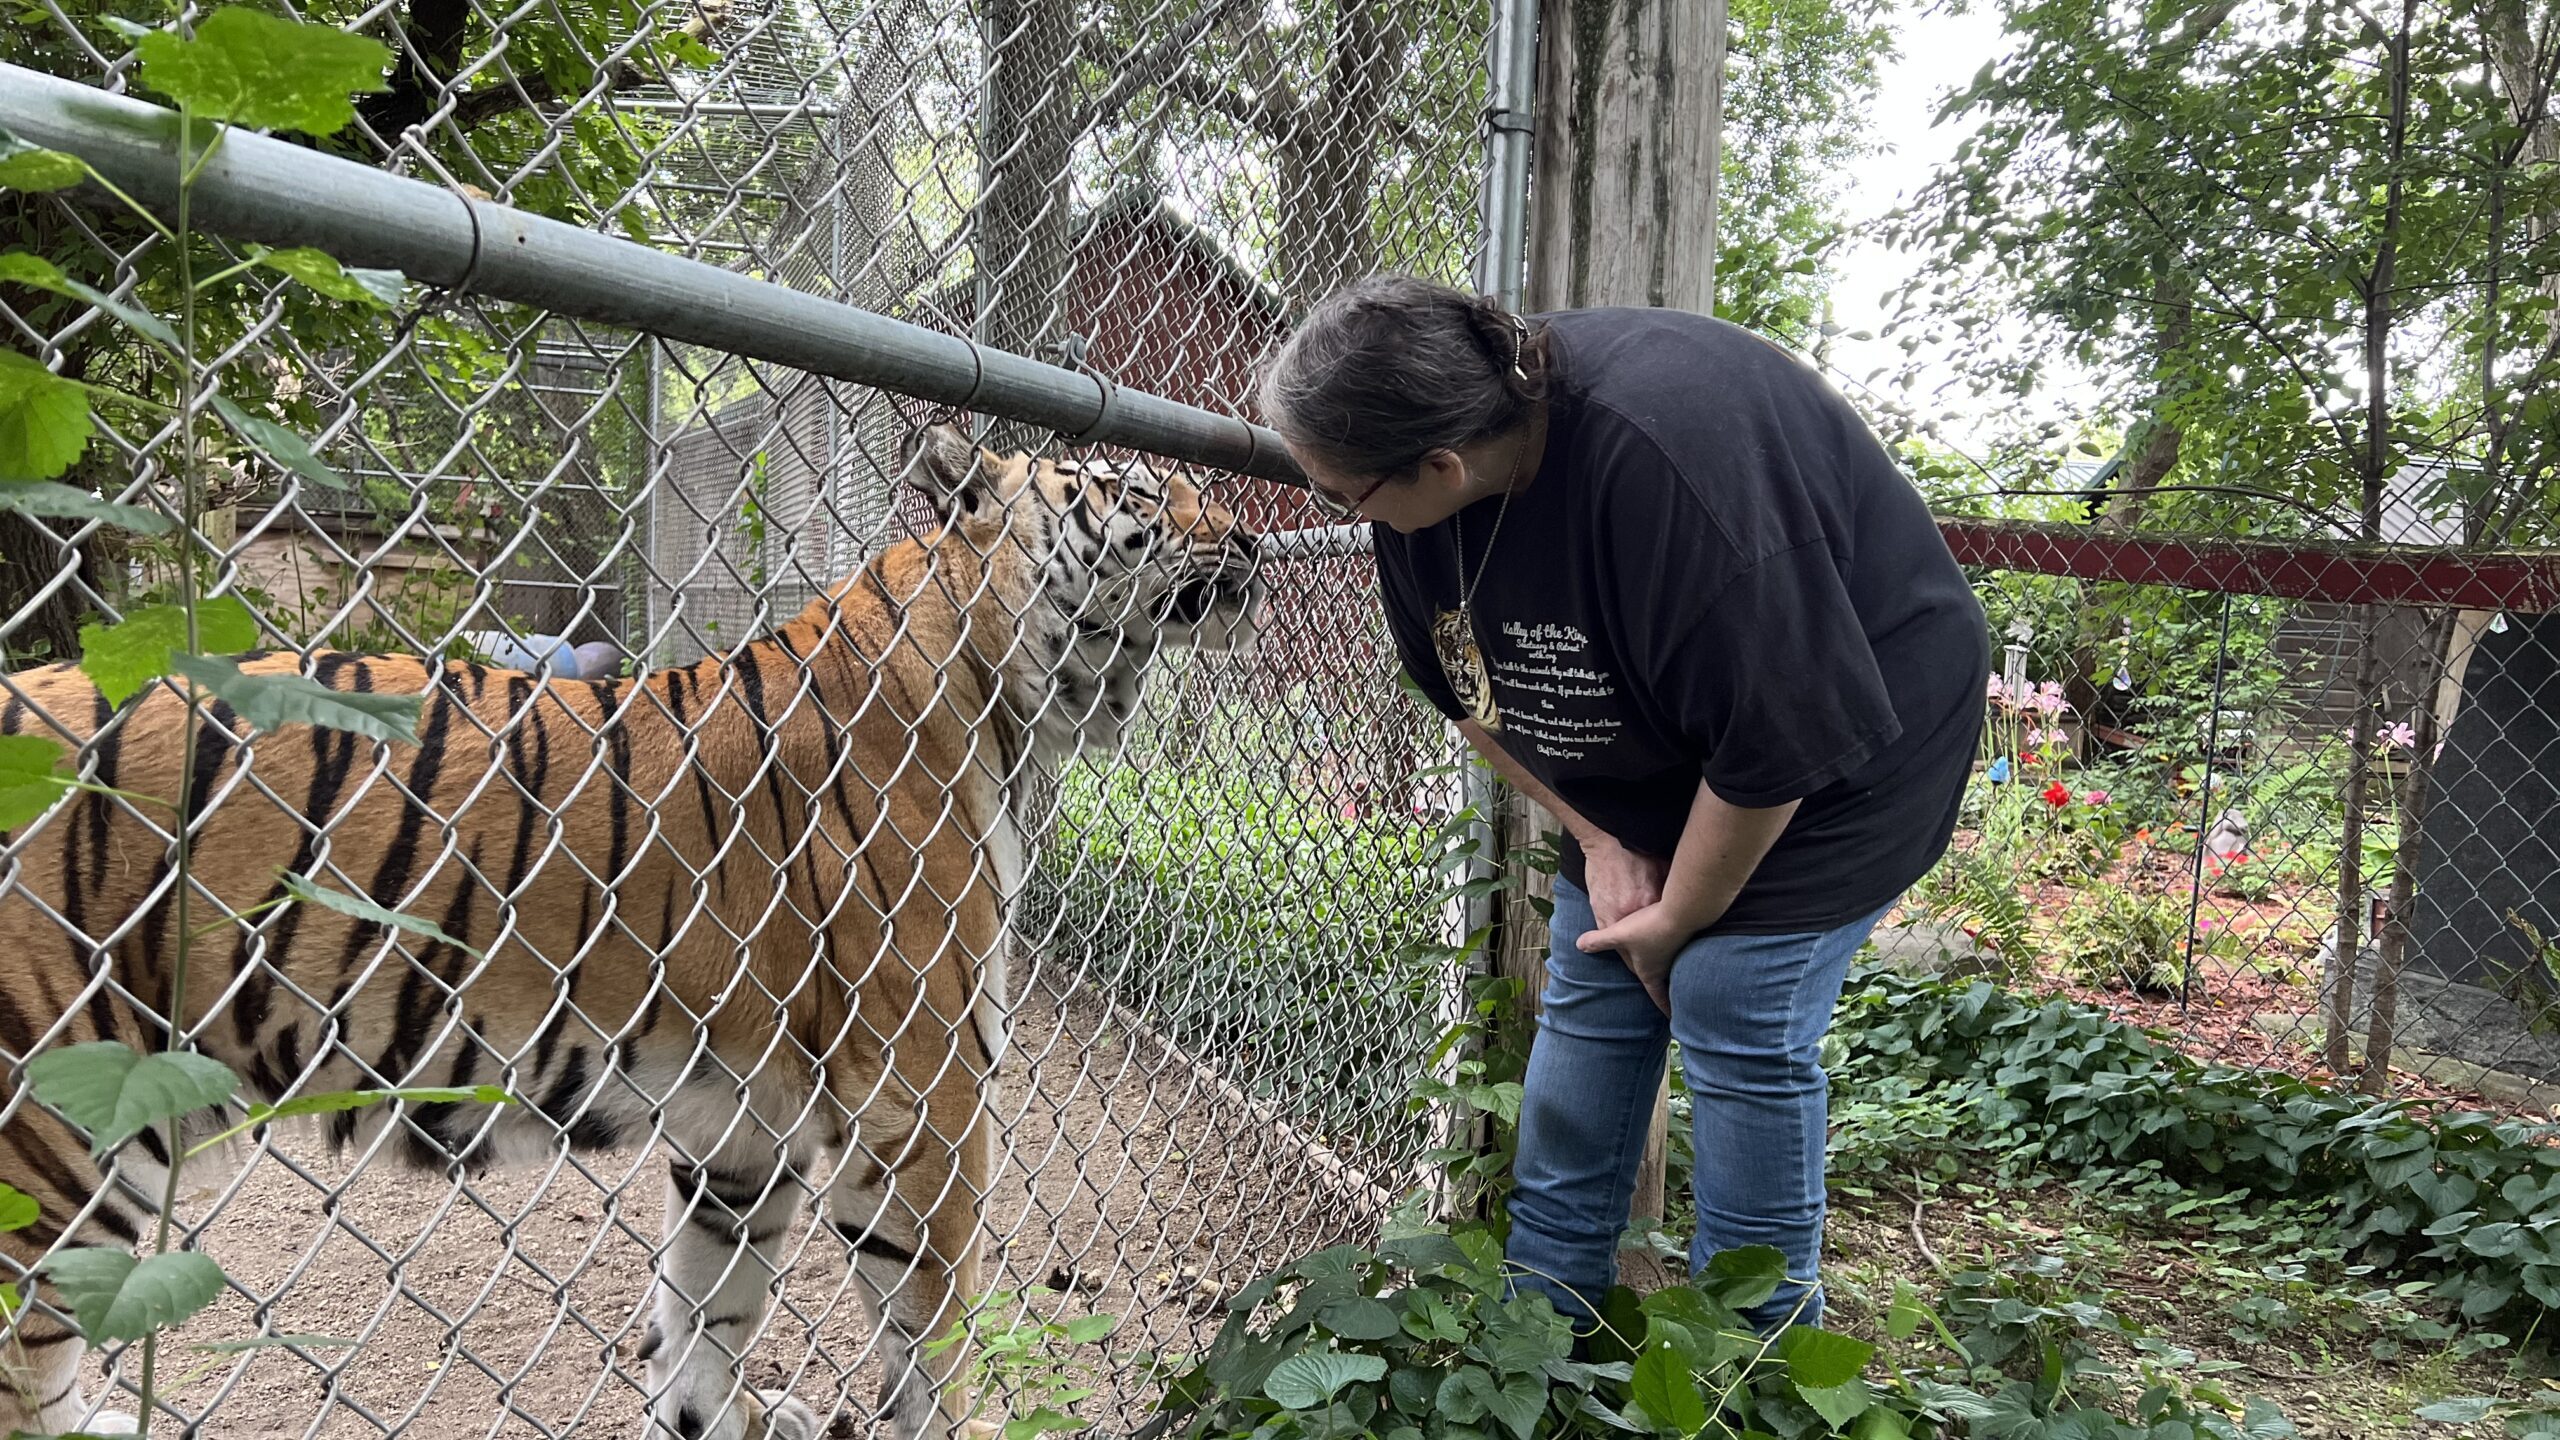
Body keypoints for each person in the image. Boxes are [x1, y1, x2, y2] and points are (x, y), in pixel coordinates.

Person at [1257, 275, 1987, 1333]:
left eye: (1337, 496)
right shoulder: (1416, 509)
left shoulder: (1674, 460)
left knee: (1733, 997)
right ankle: (1539, 1330)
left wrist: (1679, 918)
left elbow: (1774, 745)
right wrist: (1601, 842)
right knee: (1594, 985)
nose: (1330, 510)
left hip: (1847, 733)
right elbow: (1469, 698)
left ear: (1439, 465)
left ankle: (1751, 1357)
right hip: (1656, 745)